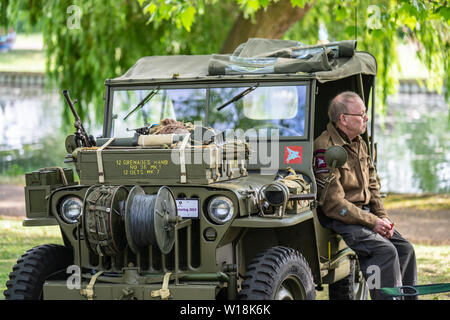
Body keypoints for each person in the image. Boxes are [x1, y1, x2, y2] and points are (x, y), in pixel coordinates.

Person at [313, 91, 417, 300]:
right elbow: (333, 204)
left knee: (406, 249)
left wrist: (383, 217)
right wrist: (373, 222)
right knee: (385, 252)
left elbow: (372, 184)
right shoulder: (325, 148)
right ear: (343, 119)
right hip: (342, 218)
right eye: (361, 114)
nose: (366, 118)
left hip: (365, 214)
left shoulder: (359, 141)